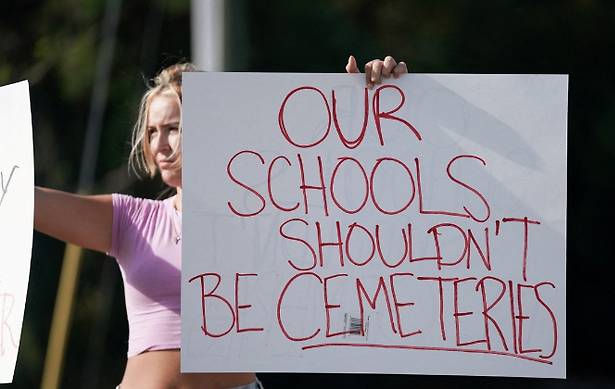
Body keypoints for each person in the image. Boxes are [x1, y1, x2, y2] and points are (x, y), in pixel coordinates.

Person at [34, 55, 408, 389]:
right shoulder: (131, 219)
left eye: (173, 128)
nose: (160, 144)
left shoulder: (267, 218)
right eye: (151, 132)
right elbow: (25, 202)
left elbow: (354, 188)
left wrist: (376, 97)